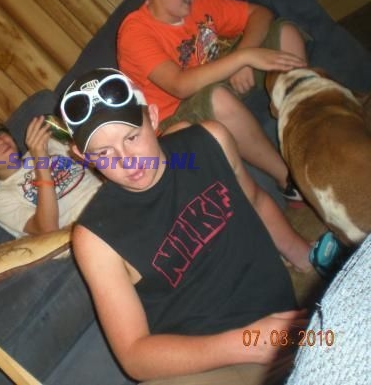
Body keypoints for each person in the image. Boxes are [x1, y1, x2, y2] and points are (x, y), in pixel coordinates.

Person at [59, 68, 335, 384]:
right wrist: (244, 344)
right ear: (82, 156)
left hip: (283, 325)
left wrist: (305, 257)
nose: (127, 161)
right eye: (104, 153)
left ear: (152, 116)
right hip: (208, 361)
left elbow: (256, 201)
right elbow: (134, 355)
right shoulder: (94, 238)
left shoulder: (209, 141)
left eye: (132, 137)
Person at [117, 0, 307, 202]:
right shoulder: (135, 32)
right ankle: (290, 180)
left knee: (286, 32)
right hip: (177, 113)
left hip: (221, 76)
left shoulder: (200, 2)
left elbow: (260, 14)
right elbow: (180, 85)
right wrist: (243, 57)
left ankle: (310, 127)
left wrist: (245, 56)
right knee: (217, 98)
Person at [0, 112, 102, 237]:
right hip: (89, 229)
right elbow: (48, 229)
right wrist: (40, 160)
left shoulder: (47, 143)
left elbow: (100, 165)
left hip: (108, 196)